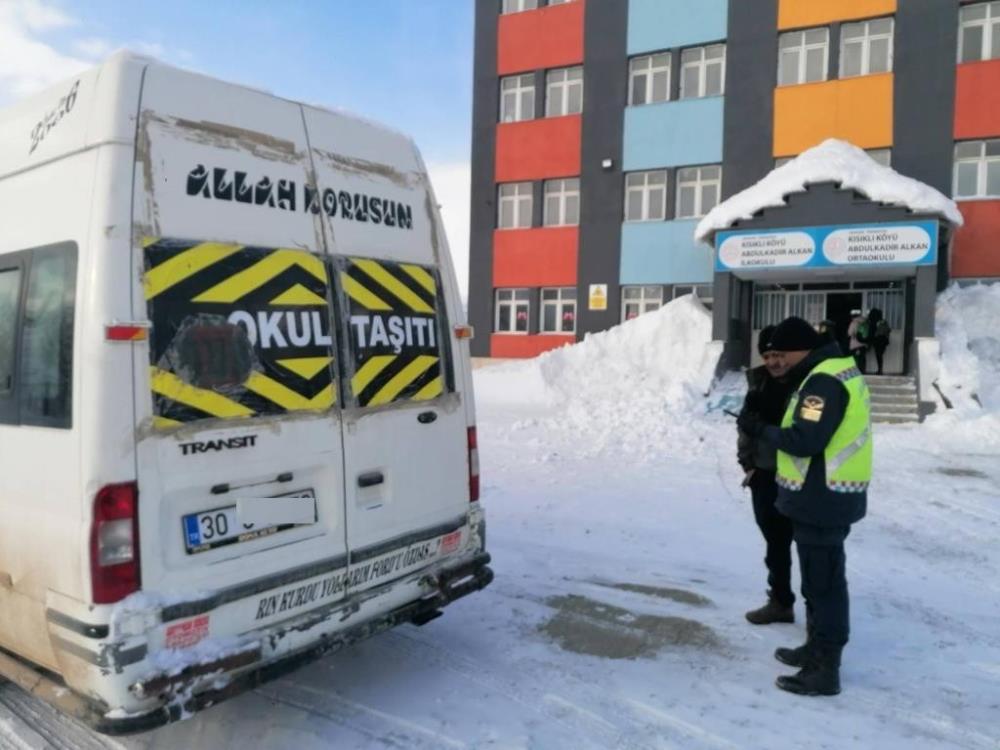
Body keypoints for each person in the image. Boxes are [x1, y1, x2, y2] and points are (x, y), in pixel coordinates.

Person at [738, 316, 871, 696]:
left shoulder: (823, 382)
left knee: (825, 584)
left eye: (783, 353)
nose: (779, 362)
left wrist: (761, 429)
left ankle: (824, 668)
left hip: (822, 497)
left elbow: (803, 440)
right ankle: (815, 648)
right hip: (823, 495)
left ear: (800, 349)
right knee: (818, 581)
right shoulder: (832, 371)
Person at [737, 325, 797, 625]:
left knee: (810, 549)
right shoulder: (758, 383)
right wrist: (747, 463)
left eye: (780, 354)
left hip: (800, 478)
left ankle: (819, 613)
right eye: (768, 355)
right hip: (764, 474)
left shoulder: (807, 383)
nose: (775, 362)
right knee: (775, 543)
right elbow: (744, 426)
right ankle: (780, 601)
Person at [867, 308, 891, 376]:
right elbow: (888, 330)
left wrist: (869, 342)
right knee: (879, 355)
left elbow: (871, 332)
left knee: (878, 355)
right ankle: (880, 369)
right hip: (883, 340)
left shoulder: (873, 322)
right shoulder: (883, 322)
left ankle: (880, 370)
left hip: (877, 340)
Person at [847, 309, 869, 374]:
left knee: (856, 358)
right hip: (864, 344)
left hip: (855, 344)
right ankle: (863, 371)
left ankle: (856, 372)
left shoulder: (854, 322)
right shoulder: (865, 322)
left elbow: (850, 333)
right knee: (863, 358)